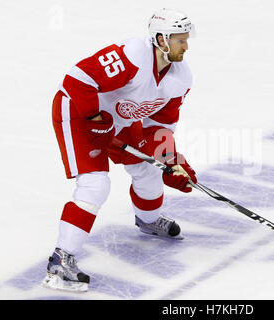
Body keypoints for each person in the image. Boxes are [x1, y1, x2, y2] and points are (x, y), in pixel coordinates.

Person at [42, 8, 198, 292]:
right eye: (179, 40)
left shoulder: (180, 78)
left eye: (186, 39)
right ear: (161, 40)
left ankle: (149, 221)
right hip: (78, 111)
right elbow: (77, 80)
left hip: (119, 119)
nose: (186, 47)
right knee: (95, 185)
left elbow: (159, 127)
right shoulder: (132, 54)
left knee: (150, 169)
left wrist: (171, 160)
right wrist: (93, 118)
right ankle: (60, 262)